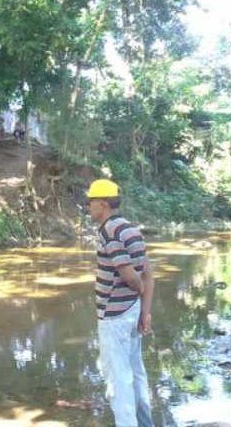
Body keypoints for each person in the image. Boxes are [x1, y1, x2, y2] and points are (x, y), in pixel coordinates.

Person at [86, 179, 154, 427]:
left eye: (90, 202)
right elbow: (149, 271)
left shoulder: (108, 231)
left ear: (103, 204)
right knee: (136, 373)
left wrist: (139, 288)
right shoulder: (131, 228)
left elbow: (129, 274)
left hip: (113, 316)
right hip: (133, 310)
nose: (88, 207)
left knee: (118, 381)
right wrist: (145, 311)